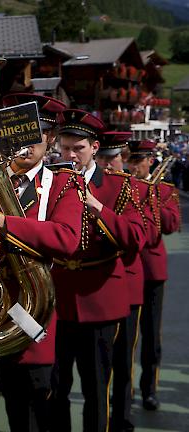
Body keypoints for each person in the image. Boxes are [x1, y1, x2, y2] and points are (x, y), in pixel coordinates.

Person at [0, 93, 85, 432]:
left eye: (33, 133)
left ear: (49, 138)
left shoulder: (64, 183)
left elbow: (66, 238)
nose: (22, 143)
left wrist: (4, 222)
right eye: (14, 133)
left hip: (30, 314)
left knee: (29, 411)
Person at [50, 110, 146, 432]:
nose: (70, 155)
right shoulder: (48, 182)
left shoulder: (119, 187)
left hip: (100, 300)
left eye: (77, 148)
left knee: (96, 389)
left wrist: (98, 208)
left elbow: (136, 238)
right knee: (56, 388)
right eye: (64, 148)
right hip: (58, 299)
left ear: (94, 147)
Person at [95, 131, 156, 432]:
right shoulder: (88, 185)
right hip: (98, 286)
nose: (108, 164)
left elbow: (146, 235)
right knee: (99, 366)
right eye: (103, 158)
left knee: (123, 362)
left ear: (124, 160)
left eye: (113, 158)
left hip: (128, 285)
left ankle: (123, 418)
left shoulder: (135, 189)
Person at [128, 139, 181, 411]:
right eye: (131, 161)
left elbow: (172, 225)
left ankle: (149, 389)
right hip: (126, 269)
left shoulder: (164, 189)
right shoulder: (123, 186)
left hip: (151, 271)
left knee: (150, 336)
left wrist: (152, 201)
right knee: (125, 338)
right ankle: (126, 389)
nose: (134, 166)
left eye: (139, 161)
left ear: (150, 161)